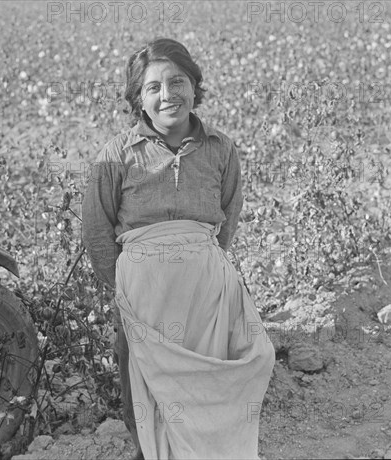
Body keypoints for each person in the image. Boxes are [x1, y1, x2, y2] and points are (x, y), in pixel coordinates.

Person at [82, 38, 275, 460]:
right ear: (139, 99)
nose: (167, 95)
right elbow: (97, 230)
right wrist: (125, 288)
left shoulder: (221, 149)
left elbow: (226, 216)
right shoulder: (116, 155)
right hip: (143, 298)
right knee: (147, 387)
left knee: (214, 377)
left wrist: (202, 267)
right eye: (153, 88)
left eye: (177, 81)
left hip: (206, 295)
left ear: (194, 85)